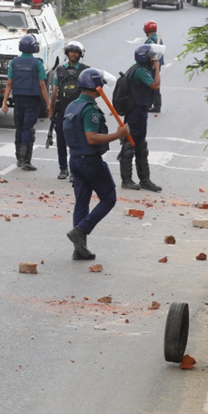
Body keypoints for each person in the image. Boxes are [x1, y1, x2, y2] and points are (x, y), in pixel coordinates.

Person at [64, 68, 129, 261]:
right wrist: (119, 135)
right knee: (109, 198)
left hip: (74, 159)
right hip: (90, 160)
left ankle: (79, 248)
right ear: (97, 88)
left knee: (82, 202)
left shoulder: (72, 106)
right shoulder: (89, 109)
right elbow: (91, 137)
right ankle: (81, 230)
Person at [0, 34, 49, 171]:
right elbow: (42, 85)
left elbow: (9, 83)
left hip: (18, 99)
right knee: (28, 128)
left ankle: (19, 158)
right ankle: (25, 160)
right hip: (32, 100)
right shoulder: (37, 63)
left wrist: (4, 102)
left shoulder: (14, 62)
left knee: (20, 127)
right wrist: (49, 103)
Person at [118, 44, 163, 192]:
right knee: (130, 144)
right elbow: (155, 85)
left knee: (140, 146)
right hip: (136, 112)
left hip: (139, 111)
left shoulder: (139, 69)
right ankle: (127, 180)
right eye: (152, 57)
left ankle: (144, 180)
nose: (154, 59)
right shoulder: (139, 72)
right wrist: (157, 68)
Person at [48, 41, 88, 180]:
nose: (74, 54)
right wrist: (51, 109)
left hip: (79, 113)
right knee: (61, 141)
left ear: (80, 54)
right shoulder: (59, 70)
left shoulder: (85, 70)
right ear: (67, 53)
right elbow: (55, 91)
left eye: (77, 52)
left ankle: (74, 170)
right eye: (71, 51)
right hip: (62, 111)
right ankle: (63, 169)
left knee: (76, 142)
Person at [143, 21, 164, 113]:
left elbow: (147, 53)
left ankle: (155, 105)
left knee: (152, 85)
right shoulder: (157, 38)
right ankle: (157, 105)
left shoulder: (151, 40)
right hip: (157, 64)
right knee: (155, 83)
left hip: (152, 65)